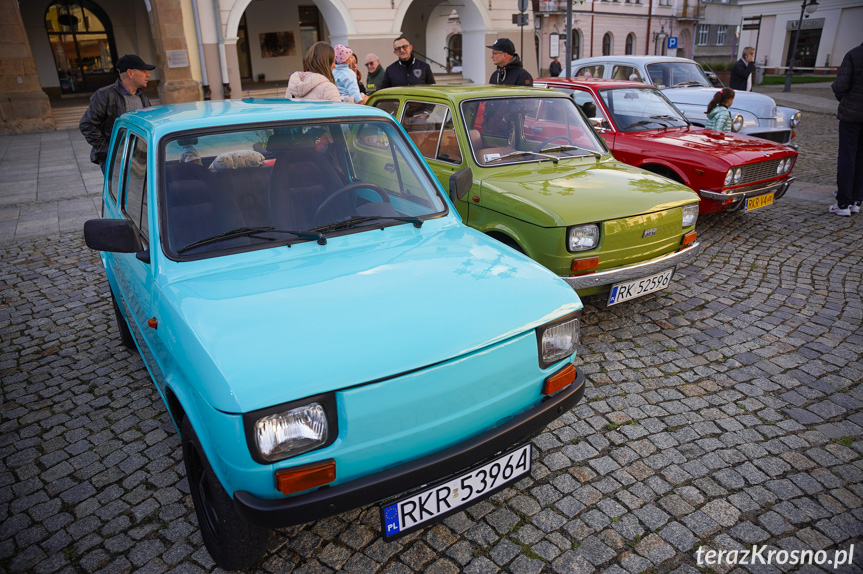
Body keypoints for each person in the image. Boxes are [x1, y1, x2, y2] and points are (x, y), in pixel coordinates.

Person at [80, 54, 155, 173]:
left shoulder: (142, 96)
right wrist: (110, 152)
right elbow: (87, 125)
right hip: (114, 160)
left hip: (140, 159)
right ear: (130, 73)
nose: (148, 75)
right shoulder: (104, 95)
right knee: (120, 191)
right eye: (144, 71)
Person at [830, 41, 863, 216]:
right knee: (860, 158)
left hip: (852, 115)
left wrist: (843, 98)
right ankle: (856, 200)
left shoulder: (854, 54)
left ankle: (843, 202)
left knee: (847, 157)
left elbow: (841, 85)